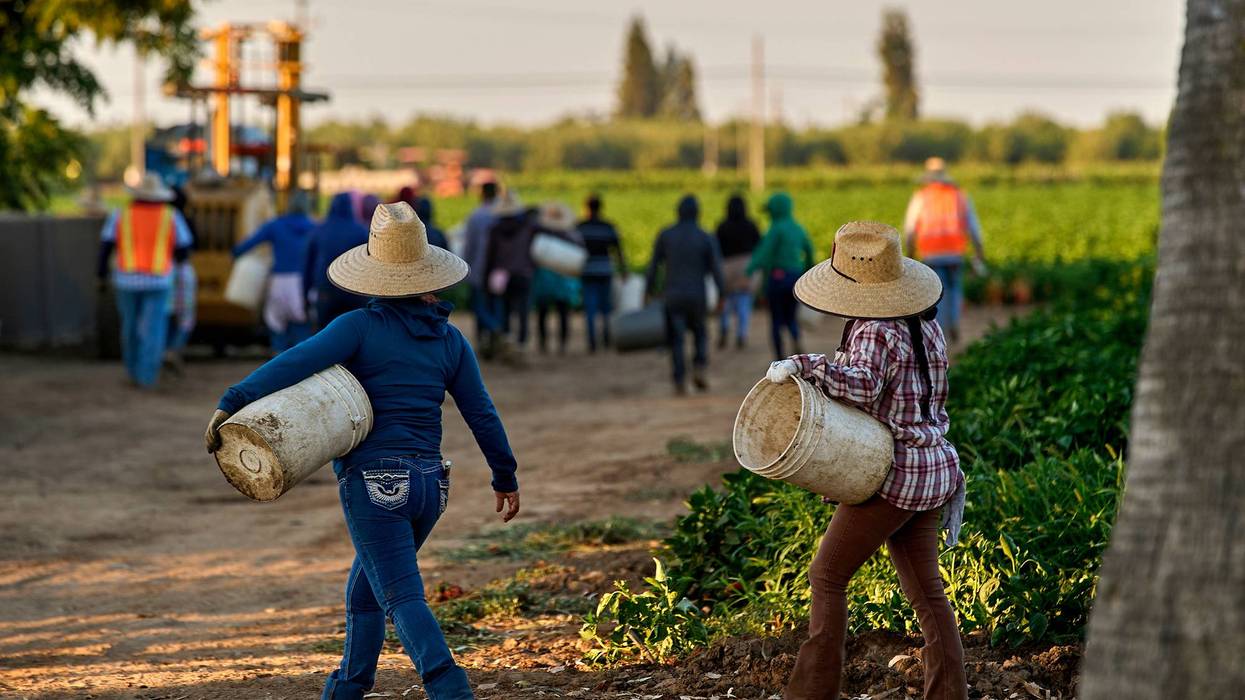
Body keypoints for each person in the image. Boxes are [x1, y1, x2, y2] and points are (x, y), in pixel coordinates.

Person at [204, 202, 520, 700]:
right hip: (430, 486)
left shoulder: (358, 327)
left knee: (401, 597)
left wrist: (232, 403)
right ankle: (348, 688)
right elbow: (482, 413)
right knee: (366, 592)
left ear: (375, 275)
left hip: (375, 484)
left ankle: (450, 688)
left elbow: (292, 364)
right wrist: (505, 476)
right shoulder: (451, 340)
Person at [766, 221, 967, 700]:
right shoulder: (925, 323)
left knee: (827, 576)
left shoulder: (876, 329)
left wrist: (804, 365)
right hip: (934, 468)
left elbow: (861, 386)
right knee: (927, 592)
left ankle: (811, 694)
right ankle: (949, 695)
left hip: (894, 475)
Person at [97, 173, 194, 388]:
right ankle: (147, 376)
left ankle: (132, 372)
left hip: (126, 280)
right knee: (153, 329)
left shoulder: (120, 214)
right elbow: (184, 249)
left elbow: (105, 247)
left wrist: (101, 275)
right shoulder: (171, 215)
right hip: (159, 281)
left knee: (130, 326)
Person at [646, 194, 724, 394]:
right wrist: (722, 295)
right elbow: (716, 269)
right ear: (698, 213)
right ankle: (699, 367)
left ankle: (679, 378)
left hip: (672, 295)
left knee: (677, 338)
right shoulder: (705, 237)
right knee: (700, 333)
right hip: (697, 295)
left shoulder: (666, 235)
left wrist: (648, 290)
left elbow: (654, 265)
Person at [903, 157, 987, 344]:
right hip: (955, 252)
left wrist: (909, 254)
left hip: (931, 253)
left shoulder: (921, 196)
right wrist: (979, 252)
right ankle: (954, 322)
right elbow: (974, 227)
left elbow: (909, 228)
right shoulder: (959, 195)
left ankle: (939, 333)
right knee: (955, 289)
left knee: (936, 293)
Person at [234, 190, 317, 351]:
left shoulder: (276, 225)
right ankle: (302, 366)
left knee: (276, 326)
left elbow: (249, 243)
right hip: (303, 284)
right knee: (302, 329)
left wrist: (235, 253)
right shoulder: (314, 227)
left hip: (279, 282)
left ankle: (278, 359)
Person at [748, 191, 815, 360]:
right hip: (795, 279)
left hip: (776, 279)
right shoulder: (798, 228)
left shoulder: (775, 229)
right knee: (791, 317)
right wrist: (808, 273)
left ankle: (779, 357)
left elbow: (764, 254)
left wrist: (749, 270)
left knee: (776, 320)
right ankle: (796, 343)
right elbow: (809, 251)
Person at [304, 192, 369, 329]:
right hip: (354, 294)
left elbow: (308, 266)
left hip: (326, 293)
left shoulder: (320, 230)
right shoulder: (361, 231)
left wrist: (305, 295)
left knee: (325, 339)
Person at [530, 202, 583, 355]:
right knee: (563, 313)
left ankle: (543, 344)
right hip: (564, 282)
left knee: (542, 312)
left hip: (544, 280)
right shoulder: (572, 235)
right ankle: (562, 344)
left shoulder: (541, 235)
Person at [485, 193, 535, 352]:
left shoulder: (495, 230)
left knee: (505, 309)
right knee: (523, 310)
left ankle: (508, 340)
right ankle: (522, 344)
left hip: (502, 276)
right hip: (523, 274)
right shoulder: (527, 228)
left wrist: (486, 276)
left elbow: (490, 256)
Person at [577, 194, 627, 352]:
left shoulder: (580, 227)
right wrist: (623, 269)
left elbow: (572, 249)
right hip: (605, 270)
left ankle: (592, 341)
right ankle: (606, 338)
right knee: (606, 307)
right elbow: (618, 250)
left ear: (586, 208)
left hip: (587, 271)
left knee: (590, 308)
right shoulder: (609, 227)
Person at [714, 194, 761, 350]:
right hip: (746, 266)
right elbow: (758, 245)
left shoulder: (721, 226)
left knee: (725, 300)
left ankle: (724, 327)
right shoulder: (751, 225)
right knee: (743, 301)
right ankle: (741, 334)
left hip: (726, 266)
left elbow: (716, 249)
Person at [461, 182, 501, 351]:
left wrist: (464, 267)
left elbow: (469, 246)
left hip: (478, 268)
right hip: (499, 270)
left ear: (482, 194)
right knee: (495, 304)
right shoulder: (502, 215)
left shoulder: (476, 216)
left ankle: (487, 336)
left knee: (479, 306)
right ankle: (496, 338)